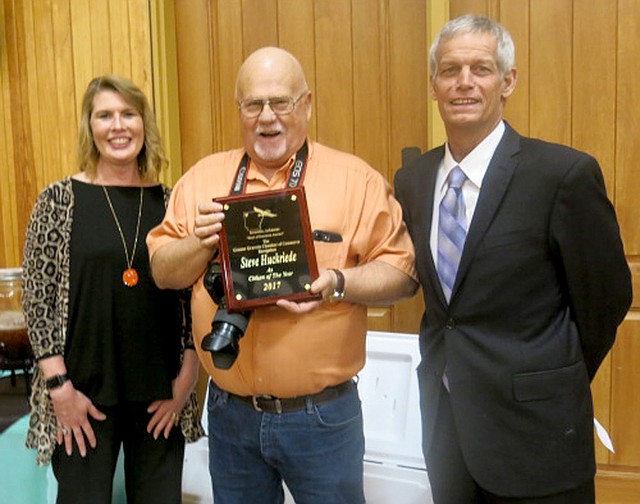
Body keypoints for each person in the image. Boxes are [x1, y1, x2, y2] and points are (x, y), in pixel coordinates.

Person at [147, 46, 418, 504]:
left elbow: (402, 272)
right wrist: (199, 244)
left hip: (322, 419)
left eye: (281, 102)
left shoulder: (357, 180)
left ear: (306, 104)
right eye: (253, 104)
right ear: (239, 108)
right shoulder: (201, 179)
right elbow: (161, 272)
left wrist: (339, 284)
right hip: (230, 416)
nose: (266, 117)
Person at [394, 14, 632, 504]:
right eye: (450, 70)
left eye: (480, 69)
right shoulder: (414, 180)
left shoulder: (562, 176)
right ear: (433, 85)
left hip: (537, 437)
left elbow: (605, 300)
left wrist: (550, 376)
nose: (464, 82)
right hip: (448, 432)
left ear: (508, 81)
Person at [22, 75, 203, 504]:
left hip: (160, 395)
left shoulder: (173, 202)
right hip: (81, 398)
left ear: (145, 125)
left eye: (128, 114)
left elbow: (195, 297)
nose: (118, 126)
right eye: (105, 115)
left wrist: (187, 379)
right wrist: (60, 388)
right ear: (90, 126)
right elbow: (38, 301)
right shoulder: (57, 201)